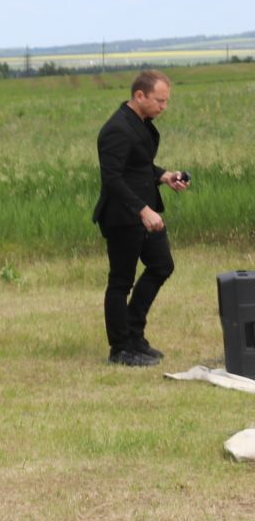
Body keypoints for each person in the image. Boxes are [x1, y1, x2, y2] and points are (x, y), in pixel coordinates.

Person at [93, 70, 189, 366]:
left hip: (144, 212)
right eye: (160, 100)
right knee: (121, 281)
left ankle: (135, 334)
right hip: (123, 216)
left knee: (162, 265)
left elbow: (138, 165)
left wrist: (164, 175)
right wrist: (142, 210)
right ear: (140, 96)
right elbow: (112, 178)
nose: (164, 106)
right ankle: (120, 349)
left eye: (166, 101)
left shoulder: (141, 124)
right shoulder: (116, 129)